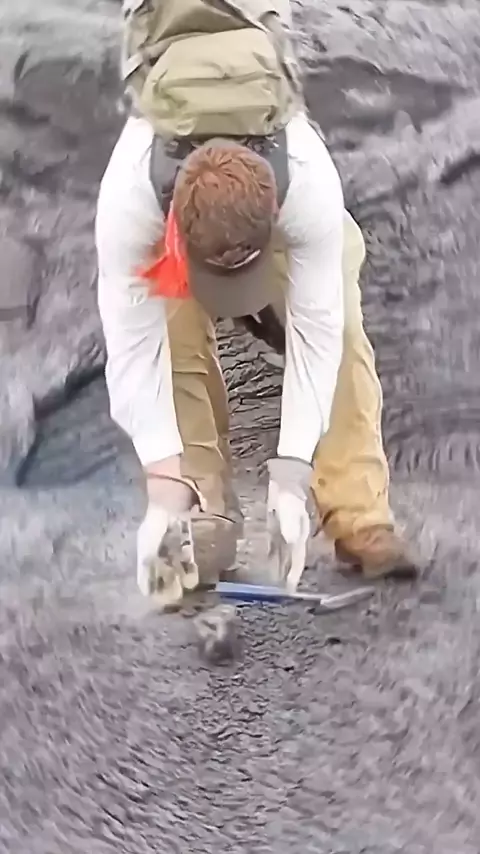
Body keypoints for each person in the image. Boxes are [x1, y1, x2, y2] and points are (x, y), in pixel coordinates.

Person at [95, 0, 418, 608]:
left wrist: (290, 478)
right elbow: (133, 352)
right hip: (176, 229)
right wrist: (163, 492)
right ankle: (204, 514)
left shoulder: (307, 181)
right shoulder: (130, 199)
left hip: (281, 212)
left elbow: (319, 336)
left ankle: (359, 514)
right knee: (171, 332)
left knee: (345, 327)